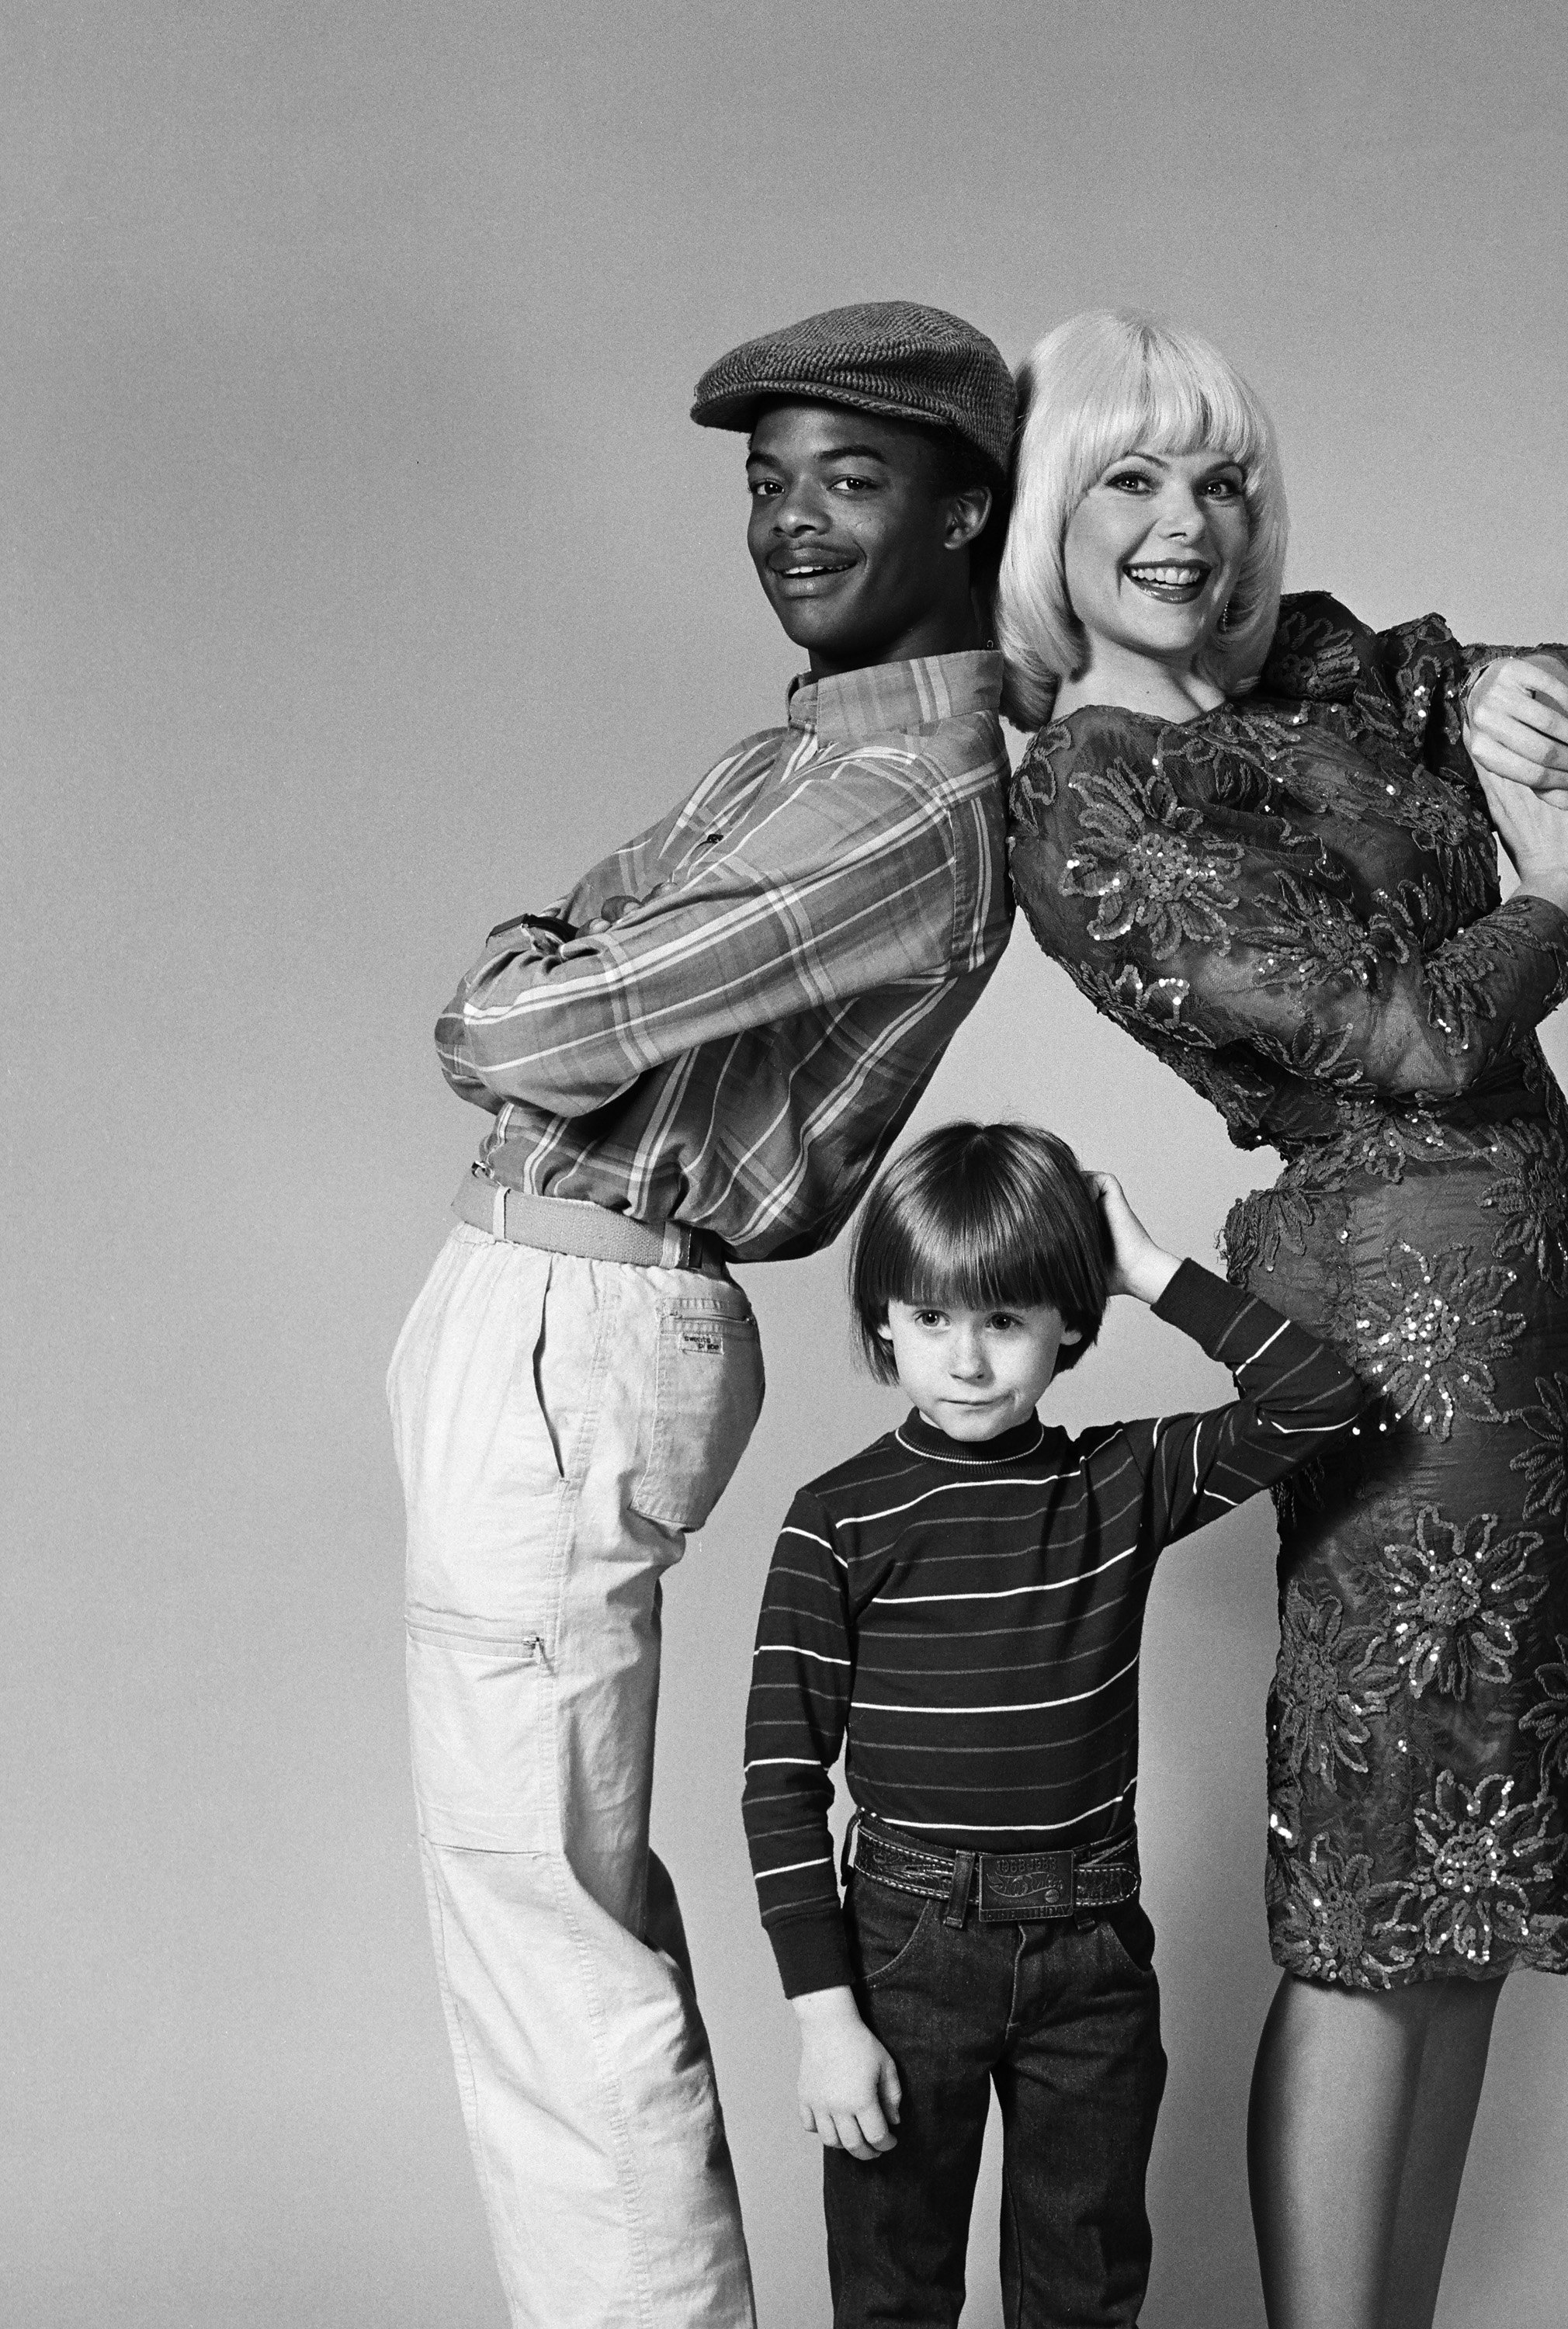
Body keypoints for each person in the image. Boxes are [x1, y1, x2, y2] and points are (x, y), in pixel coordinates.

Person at [995, 310, 1568, 2329]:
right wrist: (1546, 906)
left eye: (1215, 477)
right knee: (1373, 1897)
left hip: (1547, 1348)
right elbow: (1394, 1036)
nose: (1182, 521)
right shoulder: (1092, 798)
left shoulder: (1334, 659)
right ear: (1054, 511)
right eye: (1129, 477)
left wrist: (1544, 697)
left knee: (1467, 1888)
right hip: (1392, 1344)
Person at [386, 301, 1019, 2329]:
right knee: (539, 1905)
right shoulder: (794, 749)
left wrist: (555, 973)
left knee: (542, 1929)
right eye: (767, 483)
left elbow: (516, 1011)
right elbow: (564, 968)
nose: (790, 524)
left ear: (967, 513)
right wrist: (564, 975)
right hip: (532, 1310)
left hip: (588, 1316)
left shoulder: (907, 798)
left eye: (850, 481)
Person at [741, 1122, 1374, 2329]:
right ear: (883, 1321)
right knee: (892, 2291)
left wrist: (1142, 1269)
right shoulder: (838, 1520)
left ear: (1068, 1326)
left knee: (1080, 2293)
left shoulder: (1118, 1484)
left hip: (1089, 1945)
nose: (967, 1362)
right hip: (903, 1952)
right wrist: (824, 2020)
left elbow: (1323, 1400)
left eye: (1006, 1320)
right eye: (931, 1319)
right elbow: (779, 1784)